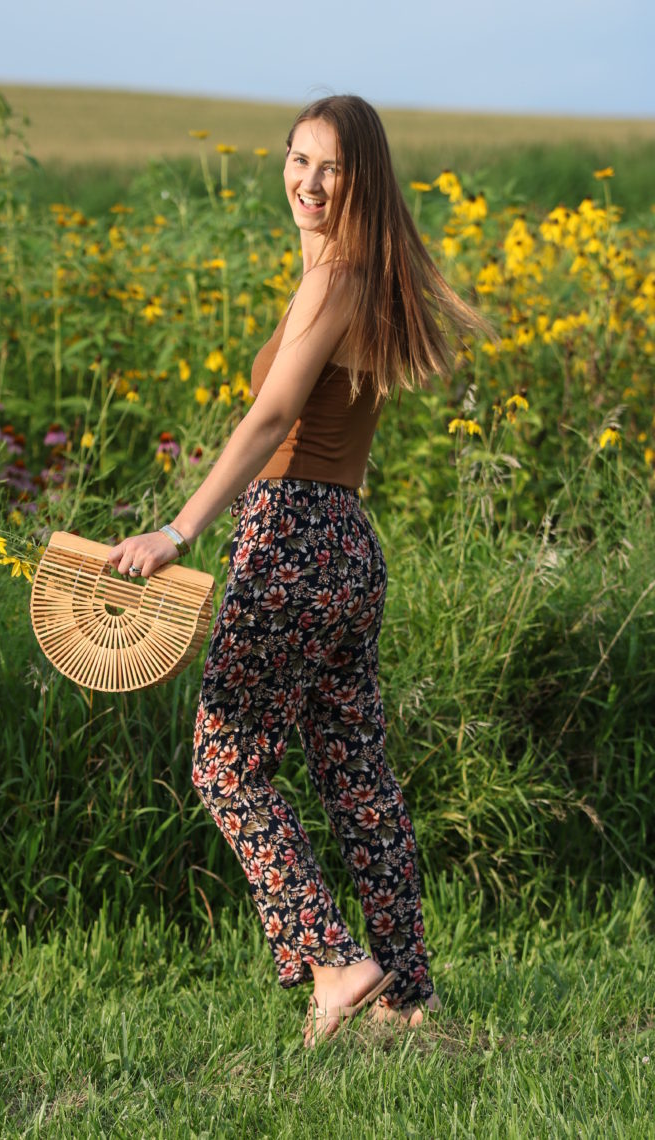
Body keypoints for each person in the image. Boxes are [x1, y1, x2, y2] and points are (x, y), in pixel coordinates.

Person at [109, 95, 488, 1047]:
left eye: (331, 169)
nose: (308, 184)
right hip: (348, 544)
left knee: (225, 764)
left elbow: (273, 419)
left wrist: (180, 528)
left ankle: (333, 964)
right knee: (356, 774)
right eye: (297, 160)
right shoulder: (359, 276)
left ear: (362, 182)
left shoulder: (335, 282)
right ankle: (408, 995)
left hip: (289, 540)